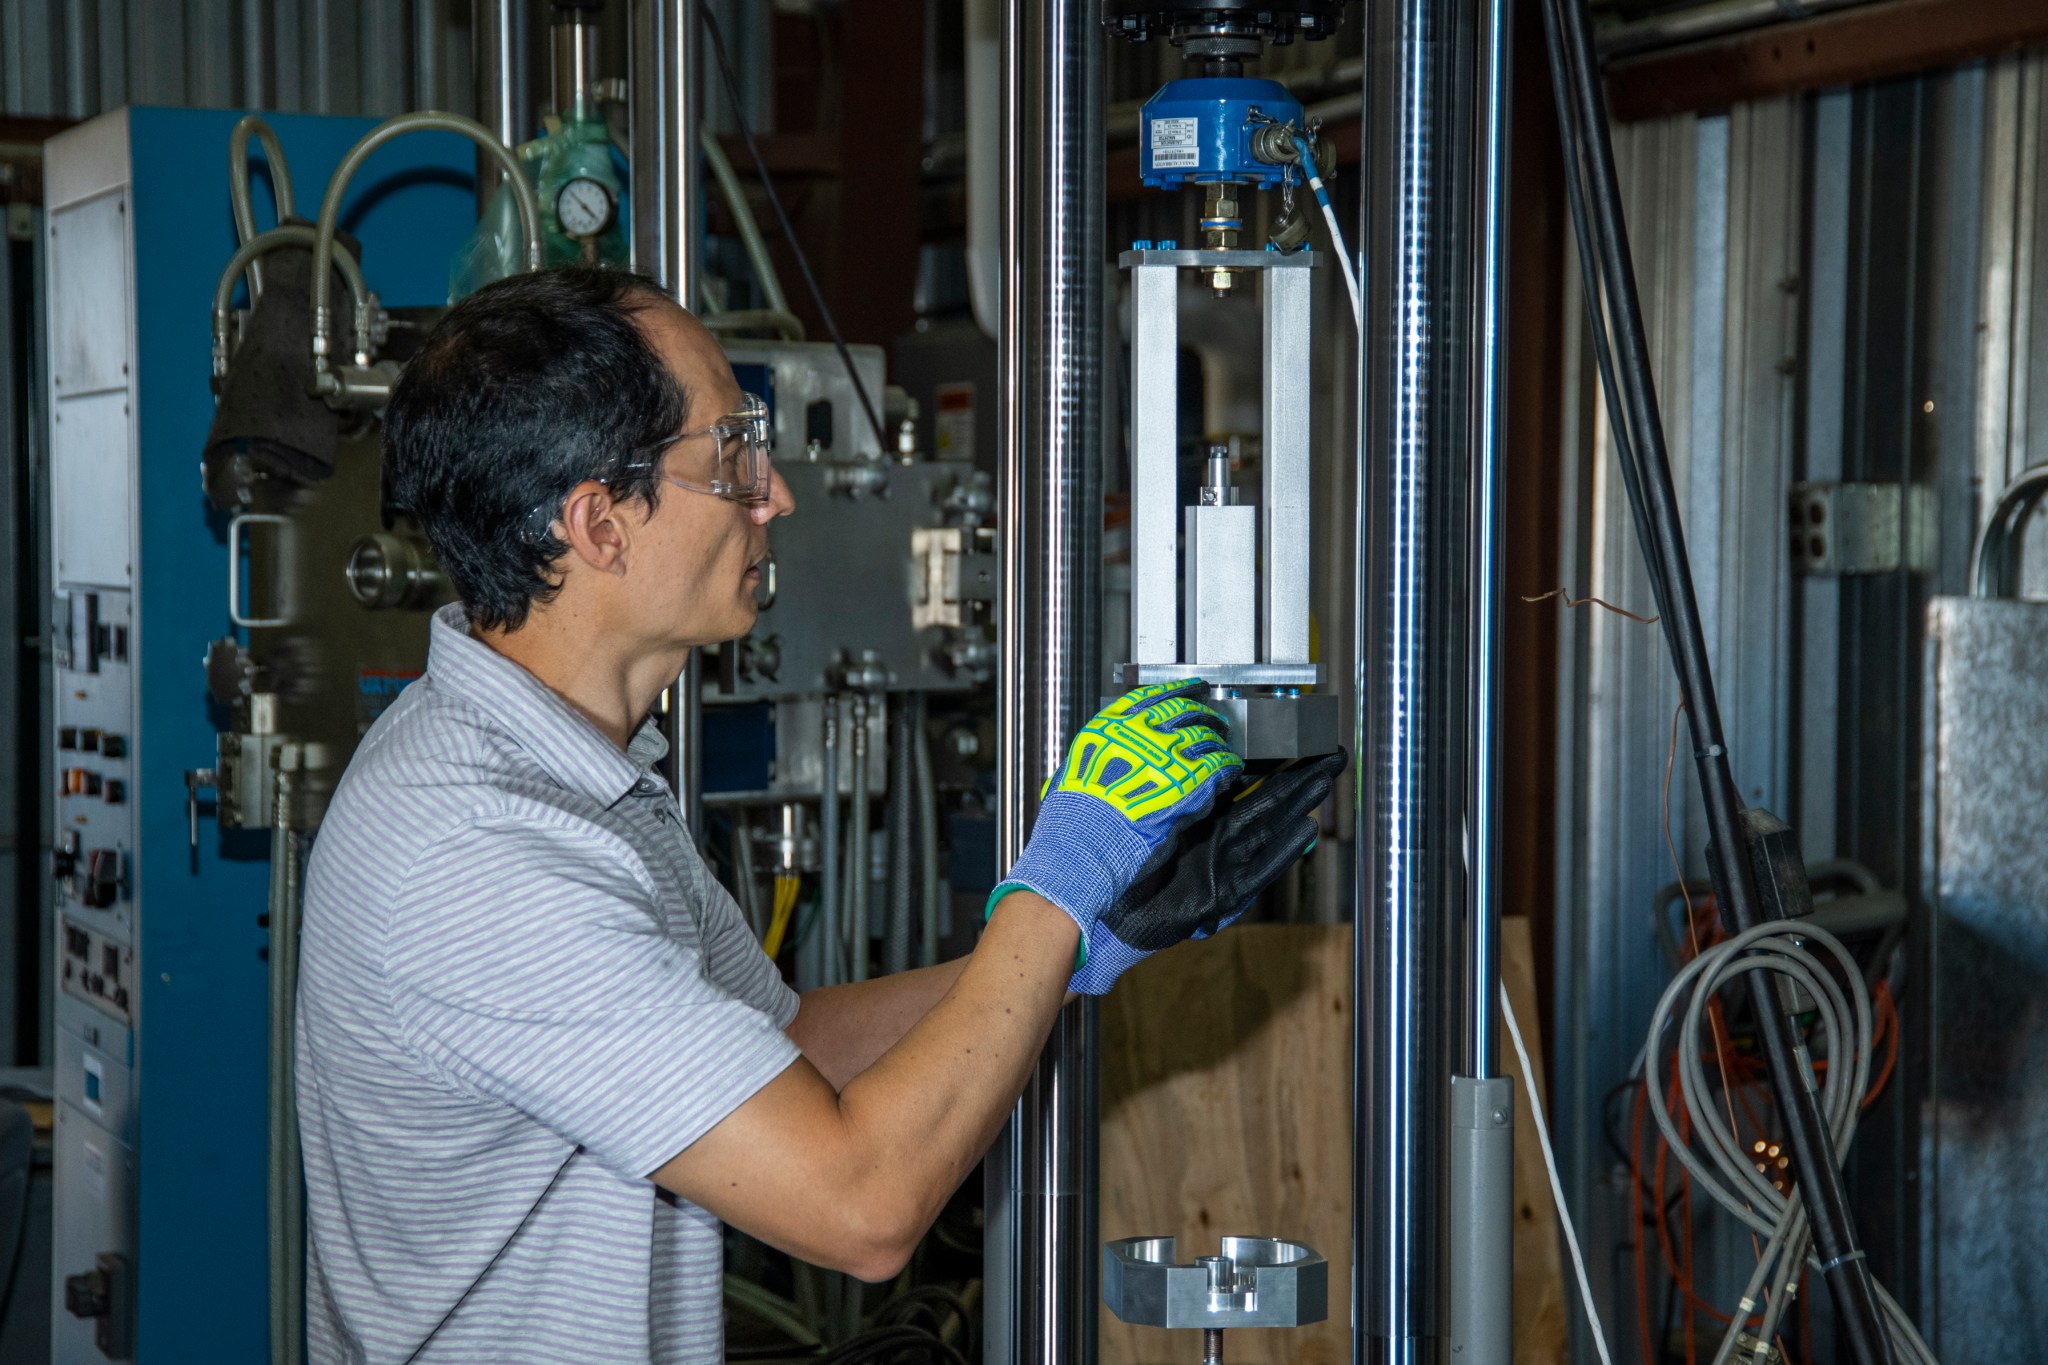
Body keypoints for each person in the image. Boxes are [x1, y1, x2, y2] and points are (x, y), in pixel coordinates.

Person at [294, 266, 1341, 1364]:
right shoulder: (479, 851)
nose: (776, 494)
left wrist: (1087, 937)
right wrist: (1054, 888)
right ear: (599, 525)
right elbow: (862, 1208)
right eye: (732, 455)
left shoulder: (575, 779)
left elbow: (784, 1049)